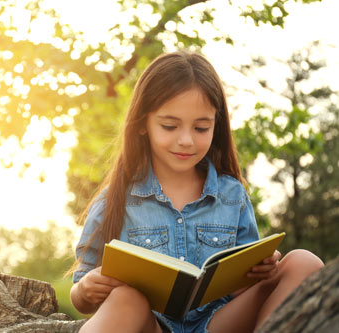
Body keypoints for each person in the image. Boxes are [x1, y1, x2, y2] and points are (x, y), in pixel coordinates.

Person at [69, 50, 324, 333]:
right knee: (126, 298)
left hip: (219, 325)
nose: (186, 140)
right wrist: (84, 290)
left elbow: (245, 288)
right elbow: (82, 294)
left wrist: (262, 272)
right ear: (143, 124)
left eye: (201, 128)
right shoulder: (114, 200)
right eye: (169, 126)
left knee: (303, 262)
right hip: (150, 327)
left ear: (217, 125)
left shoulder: (232, 196)